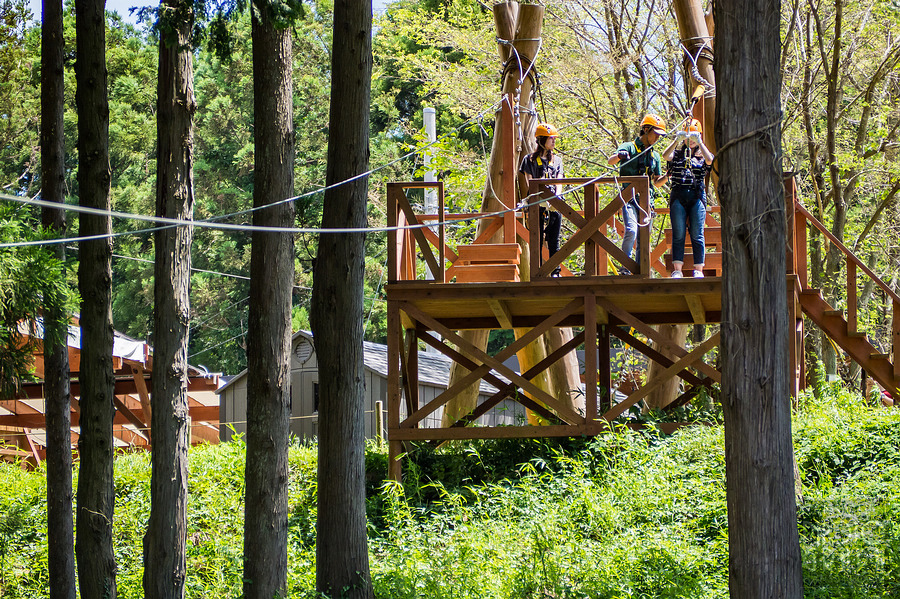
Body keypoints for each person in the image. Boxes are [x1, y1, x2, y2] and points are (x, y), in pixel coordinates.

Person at [608, 114, 669, 272]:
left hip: (647, 201)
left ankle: (639, 269)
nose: (657, 138)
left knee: (644, 236)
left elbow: (657, 182)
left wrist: (667, 176)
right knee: (631, 230)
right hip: (630, 199)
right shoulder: (629, 147)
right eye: (655, 134)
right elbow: (611, 161)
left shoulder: (654, 156)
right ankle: (625, 266)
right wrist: (620, 156)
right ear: (646, 130)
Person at [660, 118, 714, 278]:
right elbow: (665, 156)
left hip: (696, 196)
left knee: (698, 233)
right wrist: (676, 139)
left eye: (693, 138)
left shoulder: (702, 155)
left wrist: (700, 142)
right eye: (687, 137)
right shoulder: (677, 154)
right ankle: (677, 269)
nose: (690, 141)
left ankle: (699, 269)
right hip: (678, 195)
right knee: (678, 233)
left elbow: (710, 160)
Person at [520, 122, 563, 275]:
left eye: (554, 138)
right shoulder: (529, 160)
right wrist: (539, 200)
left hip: (554, 204)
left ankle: (555, 270)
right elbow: (529, 181)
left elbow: (559, 181)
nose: (553, 141)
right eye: (551, 138)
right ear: (541, 140)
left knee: (554, 239)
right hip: (537, 202)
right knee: (536, 238)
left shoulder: (557, 161)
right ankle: (537, 270)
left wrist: (556, 199)